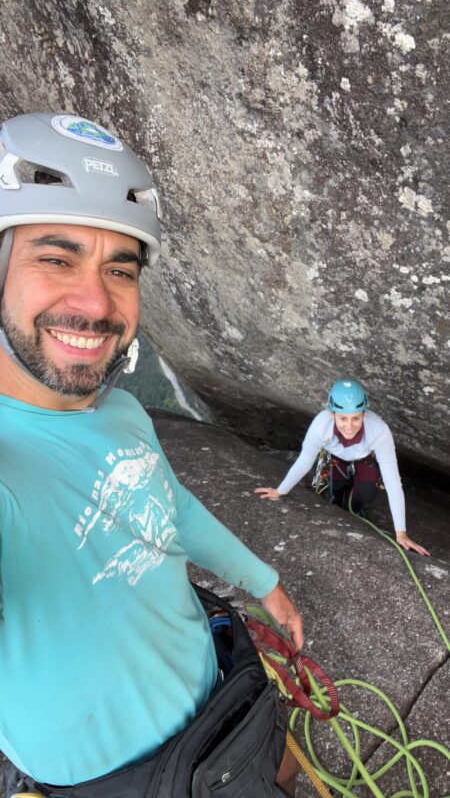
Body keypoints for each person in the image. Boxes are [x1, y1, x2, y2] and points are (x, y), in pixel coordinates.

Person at [0, 113, 303, 796]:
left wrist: (264, 583)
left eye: (120, 269)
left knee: (280, 771)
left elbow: (171, 506)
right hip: (123, 781)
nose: (95, 303)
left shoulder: (122, 412)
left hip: (219, 688)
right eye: (56, 258)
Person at [255, 379, 429, 556]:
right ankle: (339, 489)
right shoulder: (321, 425)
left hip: (364, 458)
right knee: (335, 492)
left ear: (364, 413)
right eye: (343, 418)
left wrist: (401, 532)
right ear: (332, 414)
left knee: (366, 495)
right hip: (335, 456)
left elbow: (392, 480)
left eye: (356, 418)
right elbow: (305, 460)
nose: (349, 426)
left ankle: (354, 501)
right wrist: (280, 491)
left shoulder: (379, 431)